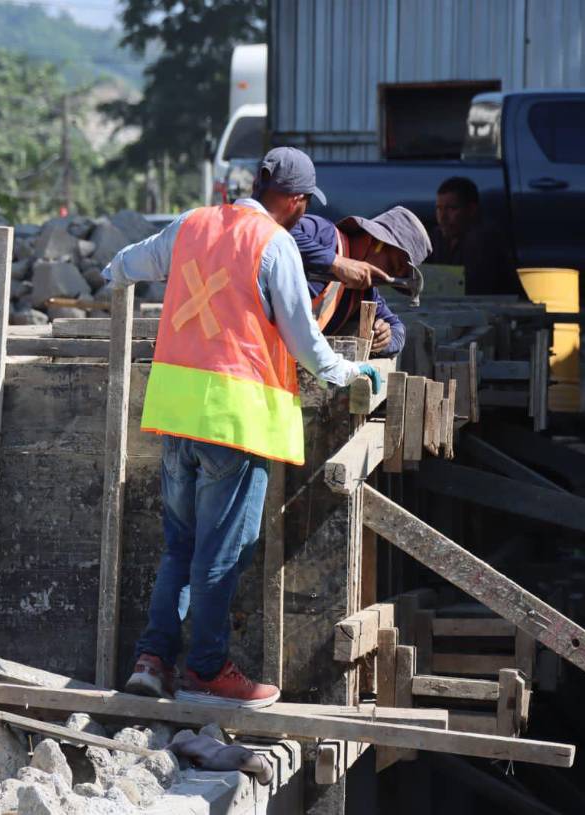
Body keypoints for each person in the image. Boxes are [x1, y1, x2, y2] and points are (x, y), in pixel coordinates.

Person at [102, 147, 382, 707]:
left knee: (179, 548)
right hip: (234, 422)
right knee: (220, 554)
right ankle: (205, 669)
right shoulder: (275, 245)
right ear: (297, 201)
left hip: (177, 418)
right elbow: (304, 343)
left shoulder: (191, 224)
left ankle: (153, 661)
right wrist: (353, 372)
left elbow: (121, 267)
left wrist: (117, 277)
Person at [291, 207, 433, 357]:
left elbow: (398, 330)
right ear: (376, 241)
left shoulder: (364, 293)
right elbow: (276, 231)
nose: (384, 278)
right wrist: (335, 262)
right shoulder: (324, 235)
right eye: (391, 265)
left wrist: (385, 339)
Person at [428, 176, 516, 295]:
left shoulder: (484, 239)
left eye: (452, 209)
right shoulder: (436, 236)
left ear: (471, 209)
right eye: (439, 209)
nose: (443, 217)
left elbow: (472, 288)